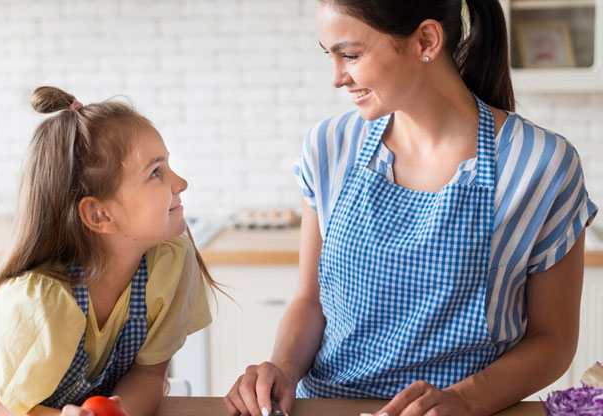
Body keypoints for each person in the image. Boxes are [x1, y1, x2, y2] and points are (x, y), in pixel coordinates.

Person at [224, 0, 598, 415]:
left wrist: (464, 400)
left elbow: (553, 340)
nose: (336, 77)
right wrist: (282, 369)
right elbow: (310, 302)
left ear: (426, 40)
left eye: (350, 55)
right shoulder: (329, 147)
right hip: (330, 407)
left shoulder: (539, 165)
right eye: (328, 54)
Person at [0, 86, 217, 416]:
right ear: (99, 215)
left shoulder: (170, 260)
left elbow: (148, 375)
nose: (180, 183)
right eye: (156, 173)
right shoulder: (37, 304)